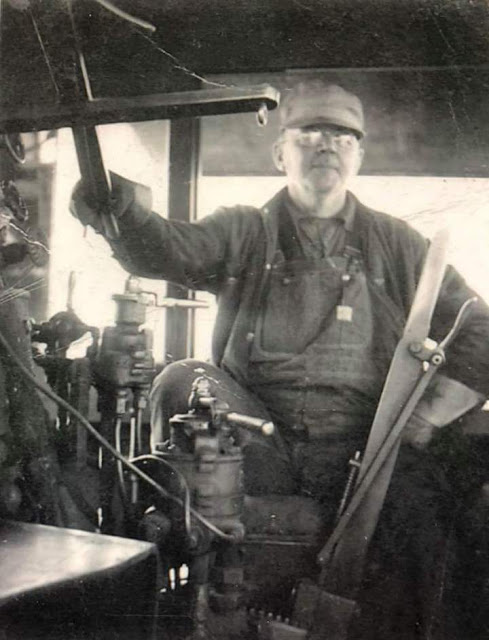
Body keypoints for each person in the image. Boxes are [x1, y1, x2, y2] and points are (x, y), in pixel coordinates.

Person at [70, 80, 489, 638]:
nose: (327, 145)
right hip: (261, 442)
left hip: (365, 449)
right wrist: (123, 211)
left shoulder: (399, 246)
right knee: (180, 379)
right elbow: (172, 248)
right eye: (310, 133)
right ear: (280, 152)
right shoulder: (245, 230)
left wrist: (428, 415)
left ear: (359, 156)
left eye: (343, 137)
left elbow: (480, 327)